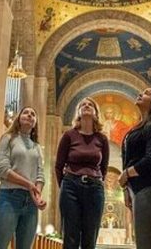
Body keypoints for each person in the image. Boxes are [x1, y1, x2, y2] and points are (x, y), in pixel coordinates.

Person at [118, 87, 151, 249]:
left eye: (147, 93)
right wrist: (126, 190)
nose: (141, 93)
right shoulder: (140, 127)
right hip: (140, 190)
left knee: (147, 244)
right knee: (144, 243)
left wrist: (126, 174)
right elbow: (130, 159)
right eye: (142, 91)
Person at [55, 97, 109, 249]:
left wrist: (96, 180)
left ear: (96, 113)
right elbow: (58, 166)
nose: (86, 106)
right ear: (78, 112)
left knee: (90, 237)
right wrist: (65, 185)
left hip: (94, 188)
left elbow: (103, 167)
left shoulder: (102, 139)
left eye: (90, 104)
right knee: (70, 237)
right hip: (71, 186)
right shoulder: (68, 135)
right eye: (83, 104)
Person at [0, 106, 47, 249]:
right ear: (19, 118)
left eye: (33, 114)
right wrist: (29, 185)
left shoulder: (37, 147)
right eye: (26, 113)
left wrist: (37, 195)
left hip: (30, 203)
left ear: (35, 123)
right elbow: (2, 169)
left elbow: (40, 174)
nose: (29, 115)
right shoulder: (8, 138)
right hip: (9, 198)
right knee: (0, 246)